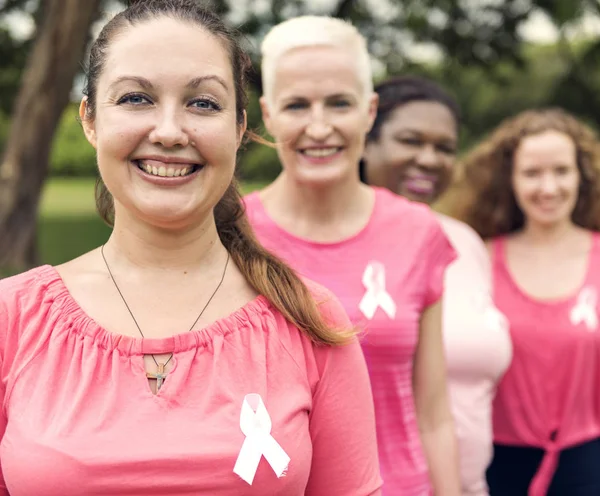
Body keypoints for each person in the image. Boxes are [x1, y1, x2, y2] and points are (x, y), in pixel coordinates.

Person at [0, 2, 383, 495]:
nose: (168, 131)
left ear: (239, 129)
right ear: (90, 120)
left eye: (203, 103)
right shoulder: (12, 317)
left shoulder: (310, 319)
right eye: (136, 98)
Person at [244, 16, 461, 496]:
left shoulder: (418, 231)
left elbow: (433, 414)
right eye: (297, 105)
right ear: (269, 114)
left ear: (369, 111)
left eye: (339, 103)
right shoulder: (229, 234)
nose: (318, 127)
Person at [360, 75, 512, 496]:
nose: (429, 159)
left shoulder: (464, 242)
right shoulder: (334, 244)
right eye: (411, 140)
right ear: (365, 142)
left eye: (444, 147)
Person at [455, 108, 600, 496]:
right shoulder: (478, 258)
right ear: (511, 181)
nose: (548, 188)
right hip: (495, 465)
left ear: (581, 177)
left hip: (589, 465)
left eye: (561, 171)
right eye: (532, 173)